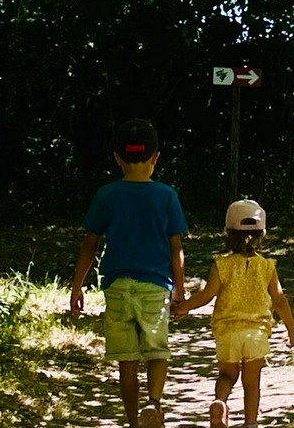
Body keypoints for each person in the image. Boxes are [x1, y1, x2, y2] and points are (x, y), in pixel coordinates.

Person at [70, 119, 188, 428]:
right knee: (157, 350)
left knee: (127, 360)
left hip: (118, 286)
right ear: (155, 157)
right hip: (154, 286)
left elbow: (89, 246)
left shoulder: (107, 195)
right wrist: (180, 289)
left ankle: (134, 422)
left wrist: (76, 287)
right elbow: (176, 248)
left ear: (118, 158)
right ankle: (154, 403)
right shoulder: (166, 196)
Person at [172, 199, 294, 428]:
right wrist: (292, 330)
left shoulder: (221, 265)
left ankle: (220, 402)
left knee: (227, 375)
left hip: (228, 332)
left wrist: (183, 307)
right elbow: (279, 300)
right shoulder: (267, 266)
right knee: (252, 383)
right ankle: (250, 423)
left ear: (228, 233)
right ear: (262, 234)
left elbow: (207, 296)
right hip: (256, 334)